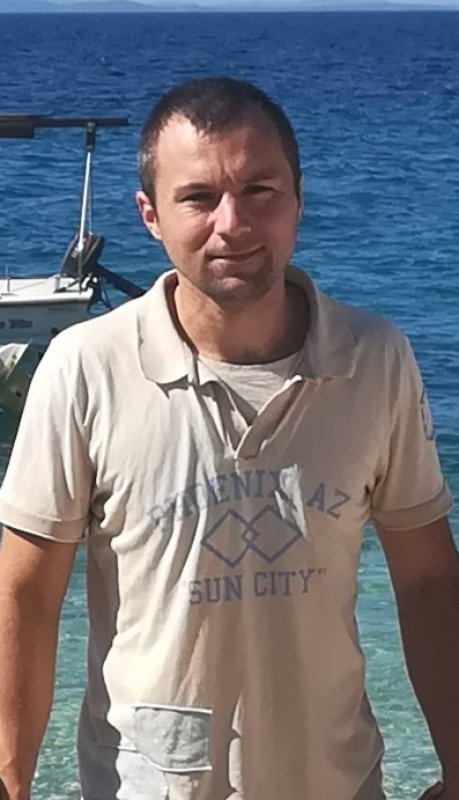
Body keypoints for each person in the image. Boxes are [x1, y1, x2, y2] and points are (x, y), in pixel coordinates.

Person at [0, 77, 457, 800]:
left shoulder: (374, 359)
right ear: (151, 215)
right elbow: (27, 593)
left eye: (260, 191)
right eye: (199, 197)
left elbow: (427, 578)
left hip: (334, 783)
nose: (232, 223)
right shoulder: (87, 367)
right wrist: (11, 778)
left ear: (299, 201)